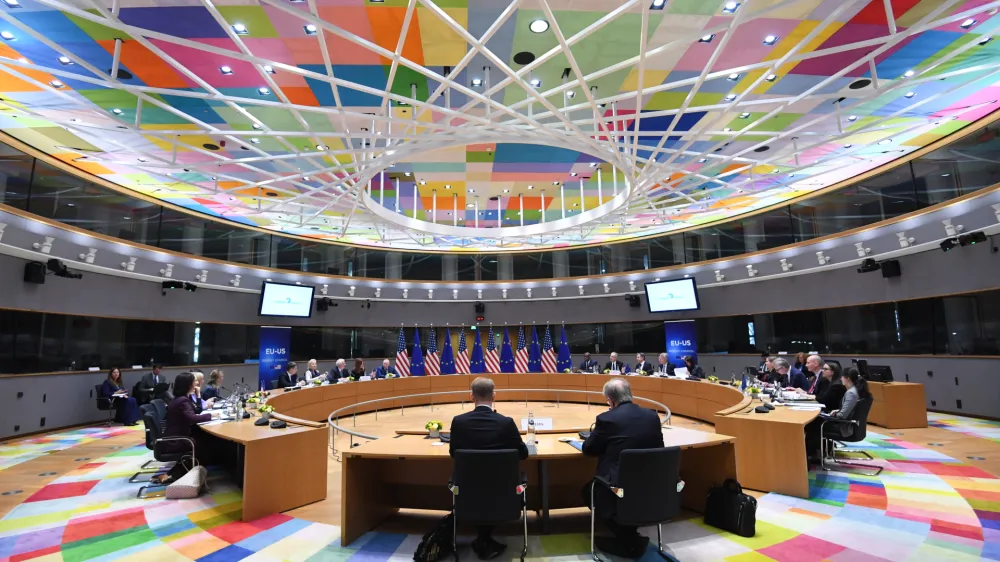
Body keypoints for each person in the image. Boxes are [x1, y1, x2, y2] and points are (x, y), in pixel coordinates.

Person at [582, 379, 664, 558]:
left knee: (588, 491)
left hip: (617, 489)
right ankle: (631, 535)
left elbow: (588, 450)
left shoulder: (606, 419)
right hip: (651, 486)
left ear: (610, 401)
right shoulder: (652, 416)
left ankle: (628, 539)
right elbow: (660, 448)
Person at [449, 377, 529, 560]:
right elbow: (523, 454)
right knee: (491, 487)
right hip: (503, 495)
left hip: (468, 494)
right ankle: (485, 539)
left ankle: (482, 538)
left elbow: (454, 453)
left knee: (478, 488)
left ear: (471, 396)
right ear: (494, 396)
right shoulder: (506, 423)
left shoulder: (459, 422)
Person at [805, 367, 869, 459]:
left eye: (842, 377)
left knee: (812, 424)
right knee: (817, 421)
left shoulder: (851, 393)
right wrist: (837, 410)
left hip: (845, 427)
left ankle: (813, 455)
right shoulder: (857, 390)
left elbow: (842, 416)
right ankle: (819, 450)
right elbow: (850, 410)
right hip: (851, 424)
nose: (840, 379)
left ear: (847, 378)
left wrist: (833, 414)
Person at [162, 372, 214, 461]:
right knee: (211, 440)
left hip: (176, 436)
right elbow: (193, 418)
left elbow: (196, 411)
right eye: (194, 381)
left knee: (206, 436)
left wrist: (198, 396)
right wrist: (211, 415)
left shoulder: (180, 398)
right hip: (177, 440)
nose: (196, 384)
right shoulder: (183, 401)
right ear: (188, 385)